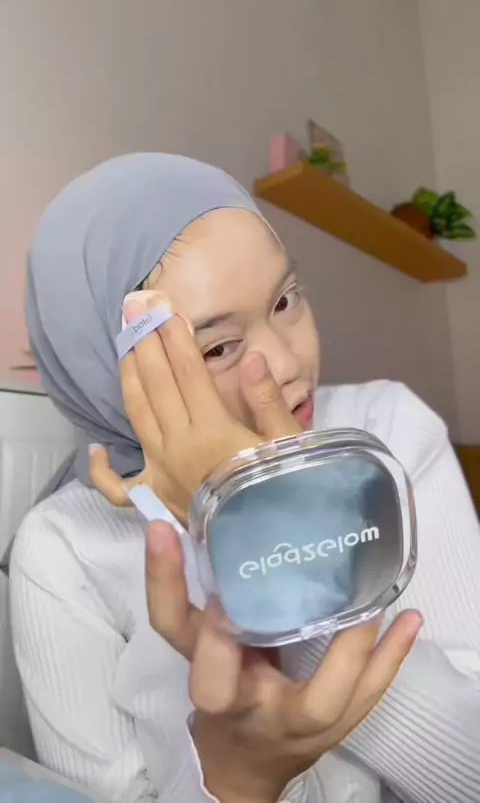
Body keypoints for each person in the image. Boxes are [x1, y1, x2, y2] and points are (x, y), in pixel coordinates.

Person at [9, 153, 480, 803]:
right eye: (218, 347)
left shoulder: (388, 430)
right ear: (105, 374)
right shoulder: (65, 549)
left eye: (286, 300)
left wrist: (279, 544)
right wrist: (241, 779)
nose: (287, 364)